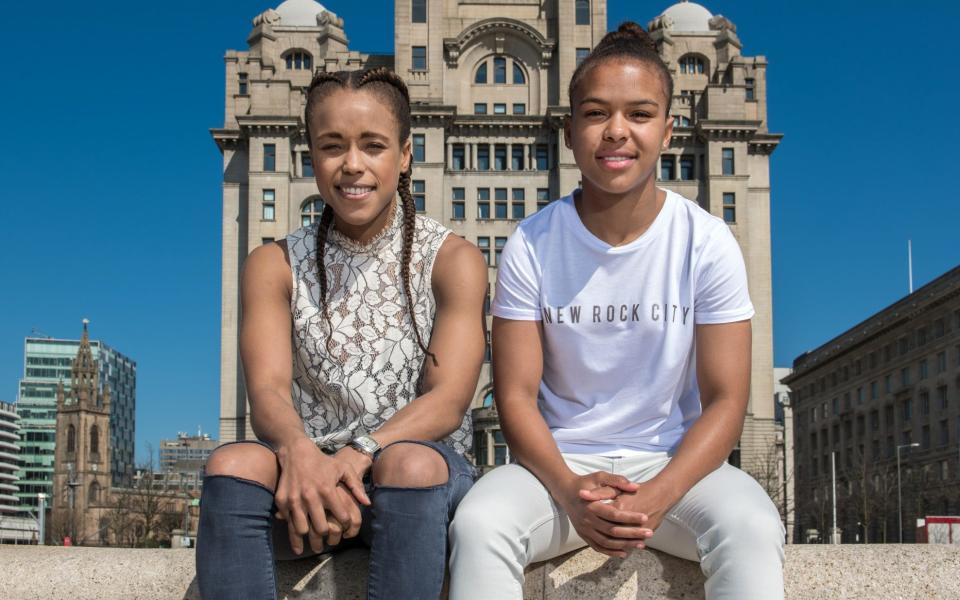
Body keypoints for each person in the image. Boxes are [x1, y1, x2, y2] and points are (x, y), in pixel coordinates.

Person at [448, 22, 785, 600]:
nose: (617, 132)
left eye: (640, 113)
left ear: (668, 130)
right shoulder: (530, 242)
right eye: (597, 113)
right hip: (556, 471)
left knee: (753, 526)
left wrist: (658, 494)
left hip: (676, 467)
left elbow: (728, 399)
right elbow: (515, 397)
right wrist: (570, 487)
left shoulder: (706, 241)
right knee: (479, 525)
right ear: (571, 131)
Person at [196, 67, 487, 600]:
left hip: (416, 483)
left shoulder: (454, 258)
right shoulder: (273, 263)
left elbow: (448, 402)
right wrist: (299, 452)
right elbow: (267, 392)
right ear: (312, 156)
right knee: (231, 464)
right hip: (308, 482)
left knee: (410, 463)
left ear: (403, 156)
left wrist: (361, 452)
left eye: (373, 145)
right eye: (333, 146)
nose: (353, 164)